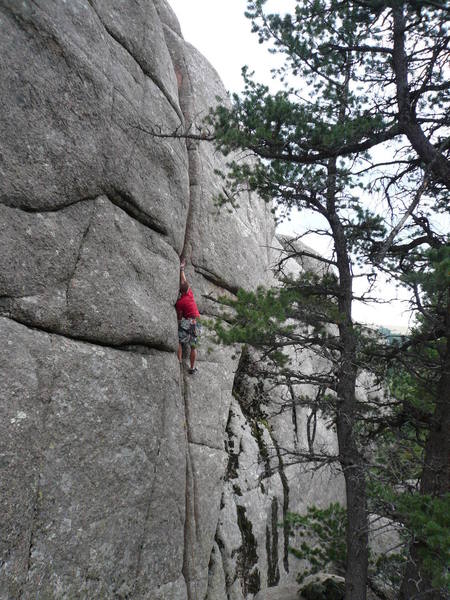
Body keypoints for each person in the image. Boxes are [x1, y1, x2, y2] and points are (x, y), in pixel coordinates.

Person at [175, 257, 201, 374]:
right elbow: (184, 282)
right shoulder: (190, 294)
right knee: (193, 346)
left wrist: (179, 324)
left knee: (179, 340)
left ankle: (179, 360)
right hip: (197, 321)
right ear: (188, 290)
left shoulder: (180, 302)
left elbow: (179, 317)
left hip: (188, 321)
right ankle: (192, 367)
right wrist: (182, 269)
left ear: (180, 292)